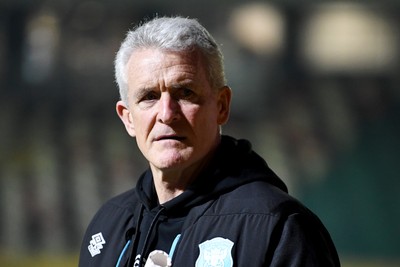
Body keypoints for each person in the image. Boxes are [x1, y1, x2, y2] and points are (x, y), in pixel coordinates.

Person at [79, 16, 340, 267]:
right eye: (149, 96)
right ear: (128, 119)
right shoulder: (108, 226)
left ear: (222, 106)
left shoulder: (278, 227)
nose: (167, 114)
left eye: (185, 92)